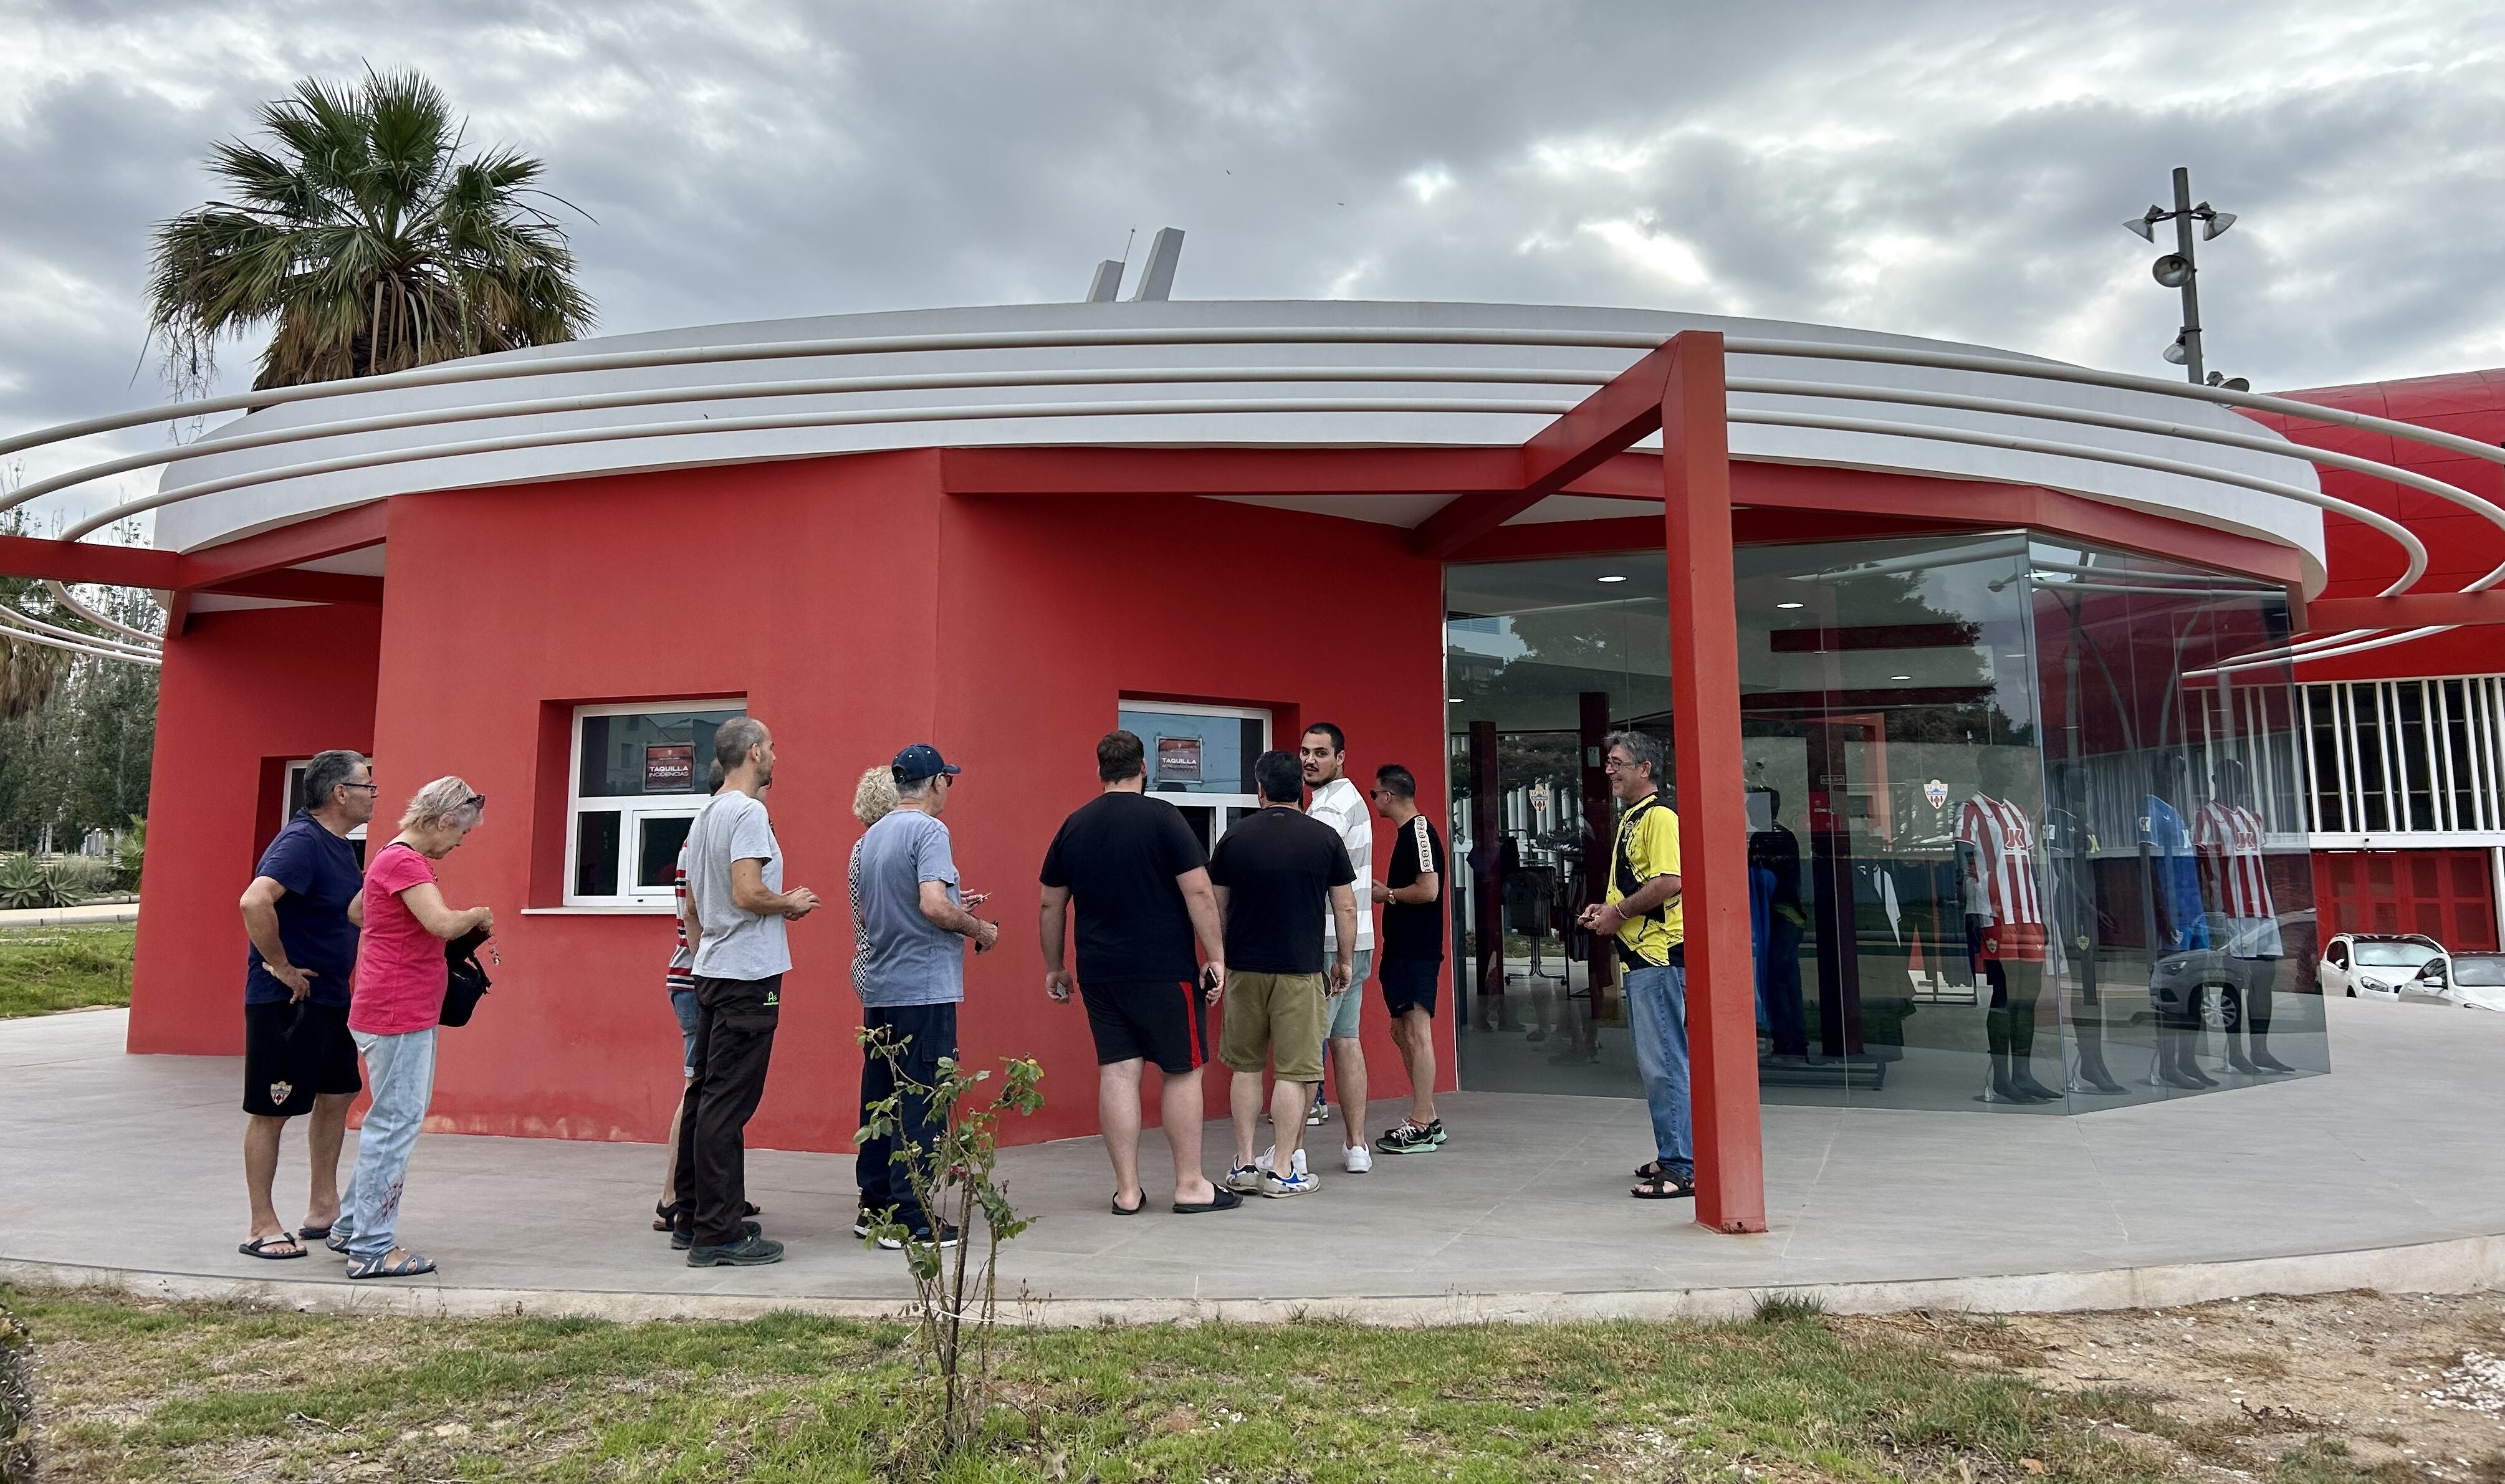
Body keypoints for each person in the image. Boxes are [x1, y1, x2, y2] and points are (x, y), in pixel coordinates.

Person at [1040, 730, 1238, 1215]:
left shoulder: (1075, 825)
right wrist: (1216, 955)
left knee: (1118, 1072)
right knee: (1182, 1071)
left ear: (1100, 770)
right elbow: (1198, 892)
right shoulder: (1163, 818)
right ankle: (1190, 1184)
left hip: (1101, 971)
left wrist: (1053, 966)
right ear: (1143, 767)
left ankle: (1127, 1191)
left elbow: (1051, 901)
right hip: (1163, 969)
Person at [673, 717, 821, 1266]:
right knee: (728, 1102)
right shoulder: (749, 811)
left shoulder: (708, 811)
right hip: (745, 975)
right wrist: (790, 902)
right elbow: (748, 891)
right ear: (754, 752)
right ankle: (718, 1233)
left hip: (712, 967)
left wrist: (707, 946)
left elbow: (692, 903)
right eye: (774, 748)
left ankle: (694, 1215)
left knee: (706, 1093)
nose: (778, 757)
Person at [334, 776, 491, 1280]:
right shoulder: (405, 861)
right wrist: (478, 915)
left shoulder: (389, 855)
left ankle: (351, 1225)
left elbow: (360, 910)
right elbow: (443, 924)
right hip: (398, 1010)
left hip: (389, 1004)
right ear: (443, 820)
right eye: (459, 834)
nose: (459, 844)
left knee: (390, 1118)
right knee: (395, 1124)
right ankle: (373, 1246)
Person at [851, 742, 996, 1247]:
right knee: (920, 1100)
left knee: (879, 1097)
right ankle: (910, 1216)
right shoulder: (930, 830)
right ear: (936, 782)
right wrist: (978, 927)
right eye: (947, 780)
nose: (948, 788)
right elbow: (933, 906)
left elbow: (884, 909)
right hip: (924, 987)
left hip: (882, 985)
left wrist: (955, 904)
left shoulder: (871, 838)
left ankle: (873, 1206)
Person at [236, 749, 375, 1260]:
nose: (372, 795)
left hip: (332, 998)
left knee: (337, 1095)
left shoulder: (339, 845)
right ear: (341, 792)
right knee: (272, 1109)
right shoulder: (301, 841)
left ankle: (323, 1208)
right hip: (286, 1002)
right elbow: (254, 900)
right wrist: (281, 966)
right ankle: (262, 1224)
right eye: (368, 786)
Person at [1212, 749, 1356, 1199]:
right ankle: (1281, 1171)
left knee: (1245, 1067)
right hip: (1299, 969)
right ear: (1301, 788)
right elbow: (1345, 905)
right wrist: (1345, 959)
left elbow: (1214, 904)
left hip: (1244, 969)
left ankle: (1243, 1162)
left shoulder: (1233, 839)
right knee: (1294, 1072)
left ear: (1260, 790)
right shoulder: (1324, 838)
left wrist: (1218, 956)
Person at [1576, 731, 1691, 1201]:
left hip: (1658, 955)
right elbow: (1636, 883)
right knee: (1660, 1061)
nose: (1609, 769)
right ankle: (1673, 1155)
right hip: (1643, 955)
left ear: (1645, 769)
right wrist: (1604, 910)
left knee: (1663, 1062)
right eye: (1607, 761)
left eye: (1618, 761)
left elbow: (1670, 881)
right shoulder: (1632, 818)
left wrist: (1617, 914)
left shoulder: (1659, 817)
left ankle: (1681, 1166)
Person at [651, 764, 759, 1233]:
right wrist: (707, 969)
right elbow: (694, 914)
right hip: (699, 977)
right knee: (702, 1089)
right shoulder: (705, 836)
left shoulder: (700, 831)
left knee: (707, 1090)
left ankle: (708, 1195)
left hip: (696, 976)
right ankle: (676, 1196)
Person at [1298, 722, 1374, 1173]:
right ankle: (1356, 1146)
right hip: (1356, 938)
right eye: (1305, 751)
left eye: (1321, 753)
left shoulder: (1330, 807)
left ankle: (1295, 1148)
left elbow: (1308, 870)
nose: (1310, 760)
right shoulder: (1347, 801)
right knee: (1346, 1040)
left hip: (1330, 941)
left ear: (1341, 757)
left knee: (1309, 1045)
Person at [1369, 764, 1449, 1155]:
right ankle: (1428, 1117)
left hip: (1417, 949)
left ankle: (1420, 1122)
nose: (1374, 801)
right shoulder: (1406, 834)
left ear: (1388, 795)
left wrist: (1389, 896)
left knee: (1417, 1032)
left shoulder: (1418, 831)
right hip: (1400, 948)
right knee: (1401, 1032)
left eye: (1374, 795)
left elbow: (1429, 889)